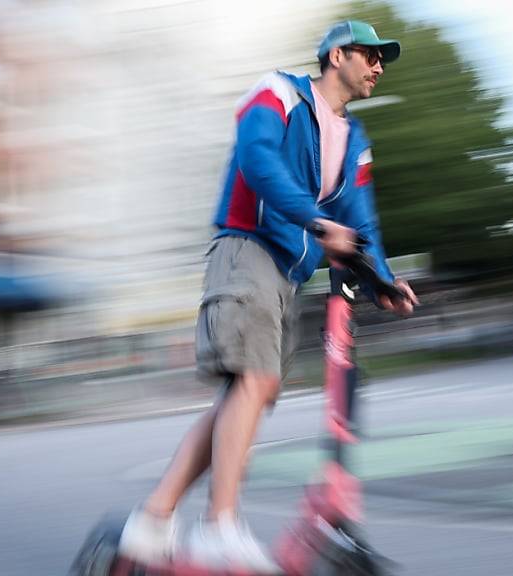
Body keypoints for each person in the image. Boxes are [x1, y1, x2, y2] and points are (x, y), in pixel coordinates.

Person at [117, 20, 419, 574]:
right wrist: (316, 220)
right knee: (253, 386)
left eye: (382, 60)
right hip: (246, 249)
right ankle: (219, 528)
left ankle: (153, 520)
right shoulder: (277, 93)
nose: (379, 68)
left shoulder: (355, 142)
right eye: (372, 56)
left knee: (249, 394)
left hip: (286, 273)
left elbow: (362, 220)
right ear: (336, 55)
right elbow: (258, 162)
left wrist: (383, 279)